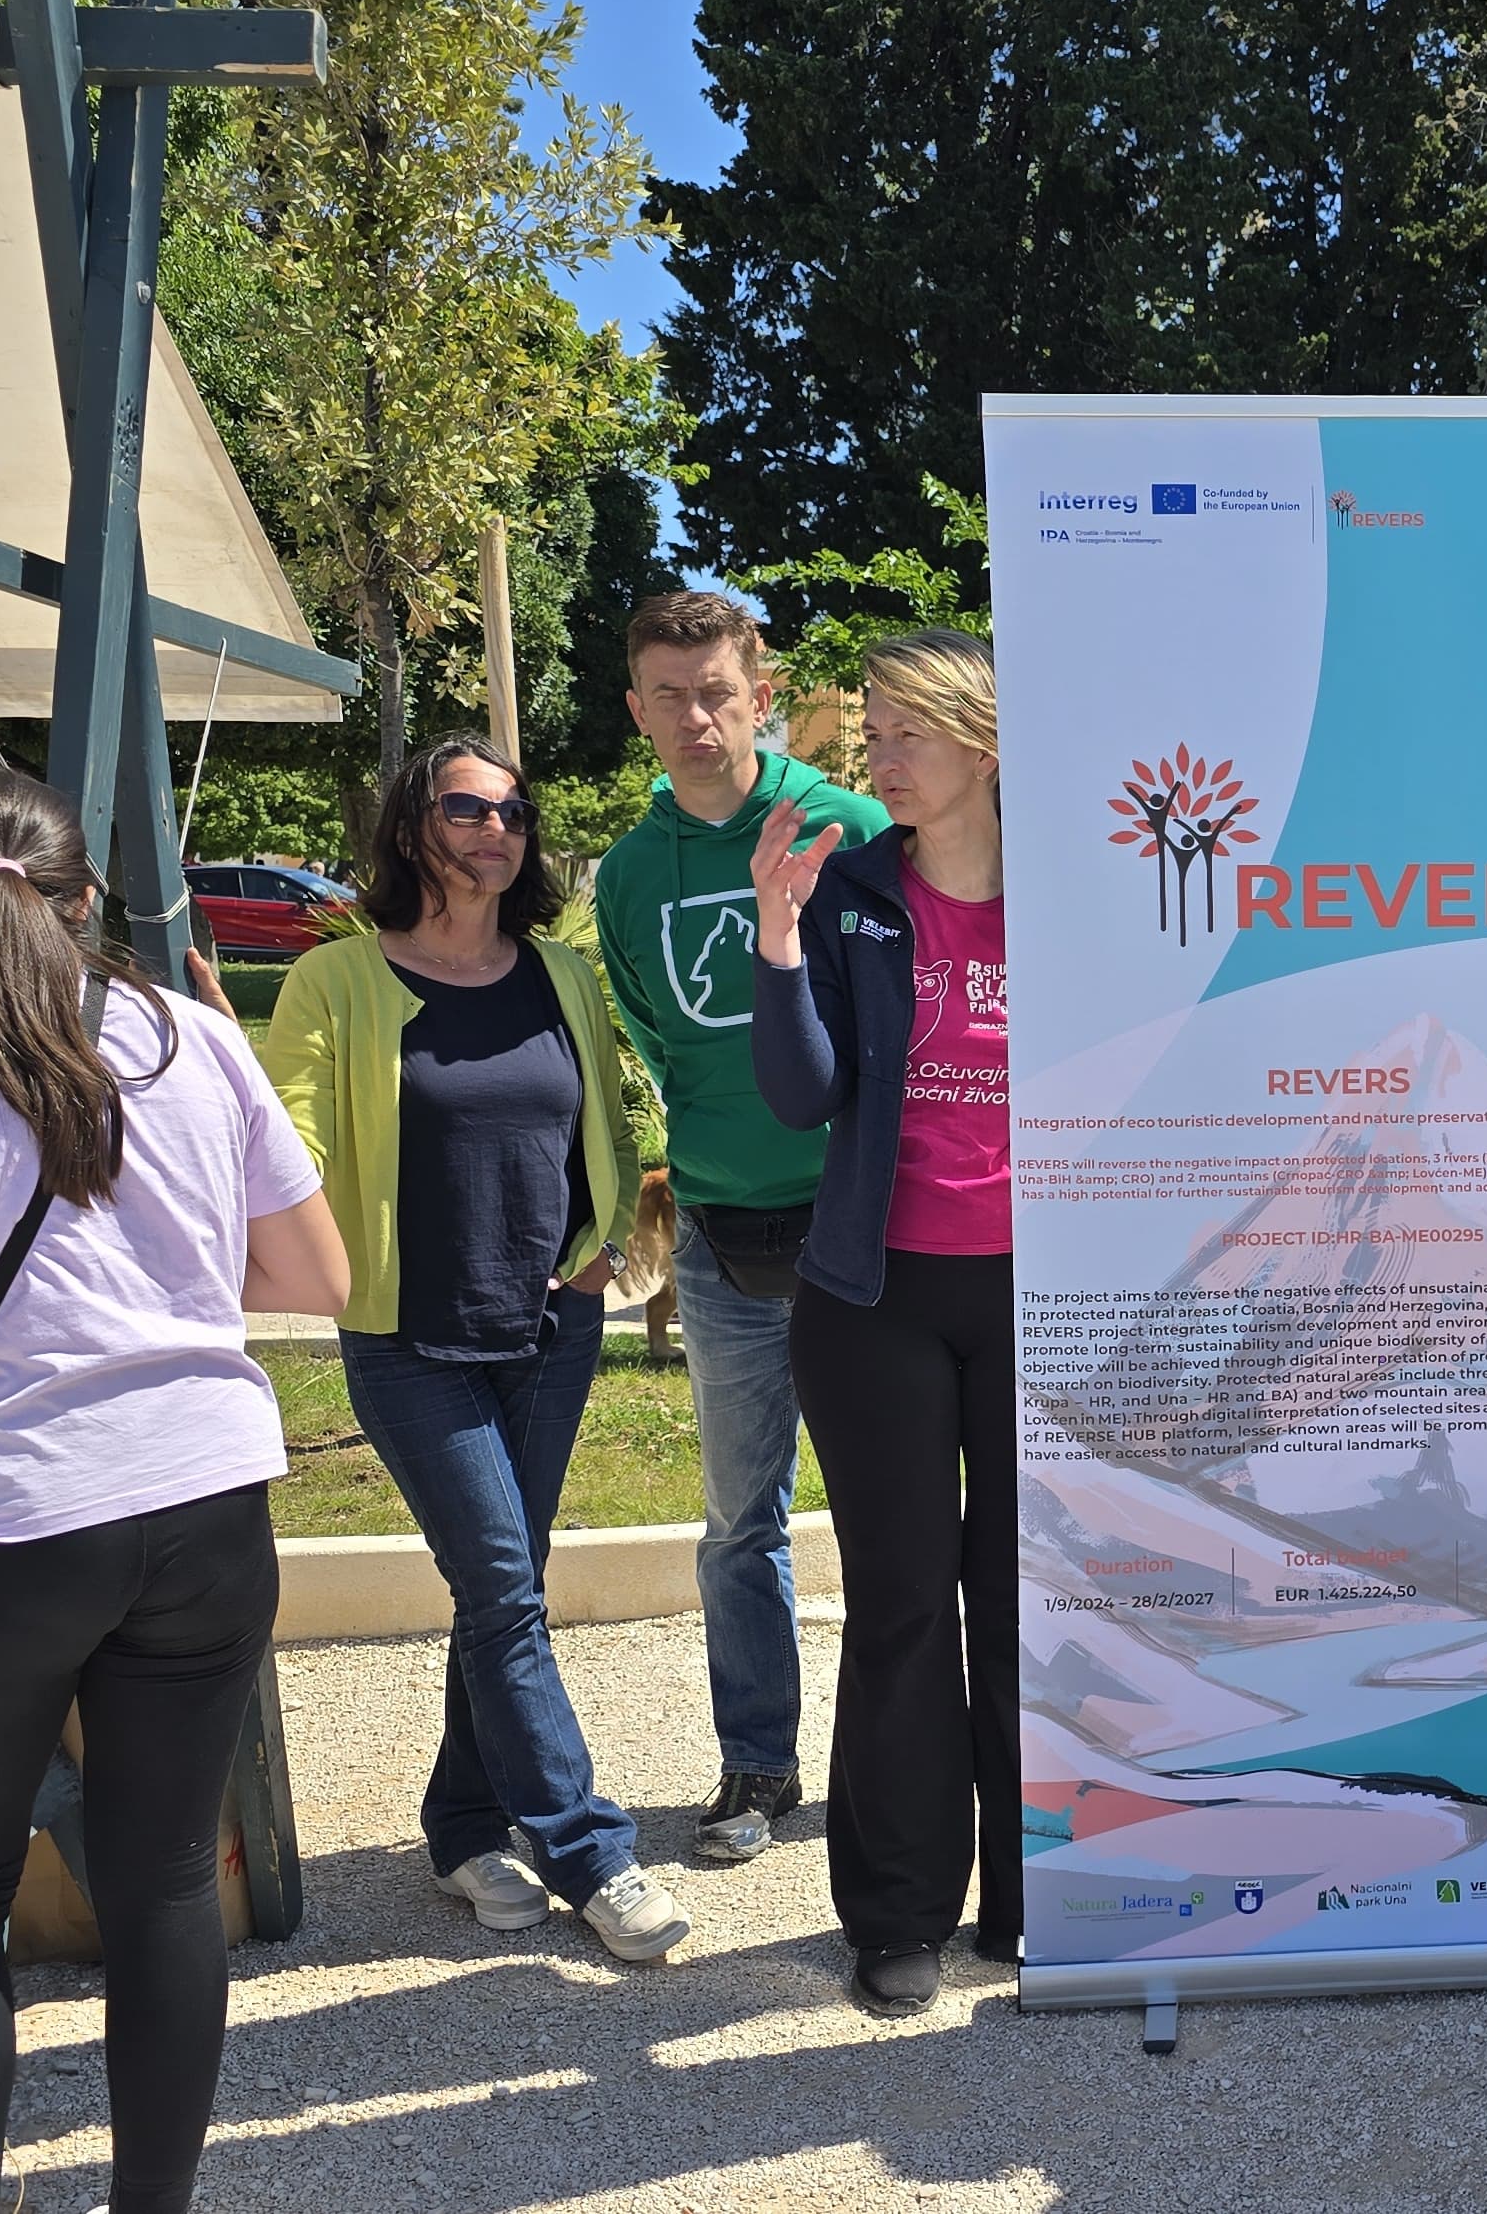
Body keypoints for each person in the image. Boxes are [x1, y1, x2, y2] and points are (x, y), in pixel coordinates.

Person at [0, 769, 350, 2214]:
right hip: (207, 1494)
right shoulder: (193, 1039)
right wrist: (150, 1304)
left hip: (10, 1518)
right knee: (162, 1881)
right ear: (88, 897)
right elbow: (315, 1275)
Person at [264, 736, 684, 1961]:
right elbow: (286, 1145)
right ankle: (589, 1848)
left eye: (511, 811)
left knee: (503, 1586)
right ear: (412, 826)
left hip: (549, 1327)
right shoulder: (336, 980)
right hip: (409, 1334)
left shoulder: (560, 971)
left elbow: (606, 1121)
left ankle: (459, 1823)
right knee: (502, 1584)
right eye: (465, 807)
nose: (494, 829)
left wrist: (603, 1247)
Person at [591, 592, 891, 1865]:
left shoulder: (850, 828)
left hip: (863, 1231)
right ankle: (758, 1763)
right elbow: (660, 1042)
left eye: (716, 690)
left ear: (759, 695)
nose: (695, 717)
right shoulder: (626, 874)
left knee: (893, 1515)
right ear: (636, 709)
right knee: (737, 1522)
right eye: (667, 694)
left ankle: (900, 1765)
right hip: (721, 1241)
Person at [750, 629, 1012, 2018]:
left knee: (1029, 1599)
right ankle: (899, 1909)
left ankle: (1037, 1897)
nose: (880, 756)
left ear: (984, 740)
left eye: (910, 730)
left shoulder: (1080, 893)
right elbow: (802, 1097)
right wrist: (778, 937)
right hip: (877, 1301)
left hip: (1045, 1301)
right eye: (876, 728)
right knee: (905, 1607)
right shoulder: (852, 890)